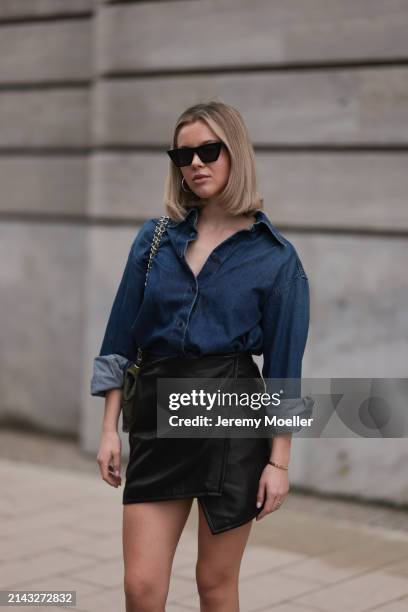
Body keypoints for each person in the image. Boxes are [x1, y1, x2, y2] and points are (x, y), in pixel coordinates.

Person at [90, 100, 310, 612]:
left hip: (234, 429)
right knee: (141, 587)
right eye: (183, 154)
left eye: (209, 150)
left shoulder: (276, 258)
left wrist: (279, 461)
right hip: (158, 423)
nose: (195, 163)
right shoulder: (155, 240)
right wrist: (108, 429)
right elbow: (119, 336)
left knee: (215, 585)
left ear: (236, 155)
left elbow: (285, 371)